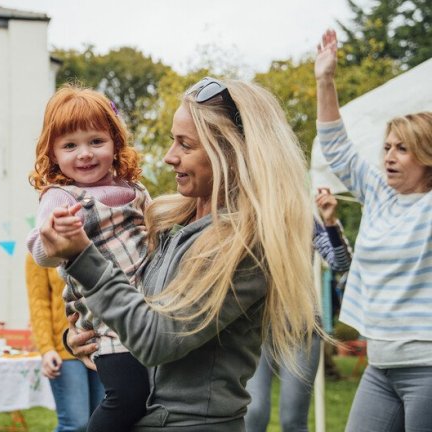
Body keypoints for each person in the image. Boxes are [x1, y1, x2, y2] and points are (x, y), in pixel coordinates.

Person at [44, 77, 323, 431]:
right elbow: (132, 300)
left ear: (230, 152)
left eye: (185, 144)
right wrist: (82, 338)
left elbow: (157, 340)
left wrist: (84, 257)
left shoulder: (245, 247)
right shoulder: (164, 217)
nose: (168, 156)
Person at [315, 29, 432, 431]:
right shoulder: (380, 194)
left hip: (428, 369)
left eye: (403, 148)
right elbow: (336, 147)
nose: (390, 157)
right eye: (386, 147)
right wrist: (325, 80)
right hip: (380, 366)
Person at [26, 85, 151, 432]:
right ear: (53, 154)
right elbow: (40, 254)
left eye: (96, 141)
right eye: (70, 145)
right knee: (127, 396)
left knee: (145, 404)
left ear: (115, 143)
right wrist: (56, 238)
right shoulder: (60, 197)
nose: (84, 154)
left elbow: (158, 235)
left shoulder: (136, 191)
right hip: (104, 319)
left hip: (147, 310)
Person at [245, 188, 352, 432]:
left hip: (299, 327)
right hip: (257, 329)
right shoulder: (248, 212)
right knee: (253, 414)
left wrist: (330, 221)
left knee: (292, 421)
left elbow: (342, 262)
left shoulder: (303, 215)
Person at [25, 253, 104, 432]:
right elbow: (38, 303)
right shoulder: (38, 248)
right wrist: (46, 349)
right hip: (64, 350)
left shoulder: (96, 239)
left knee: (101, 422)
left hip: (101, 344)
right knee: (75, 423)